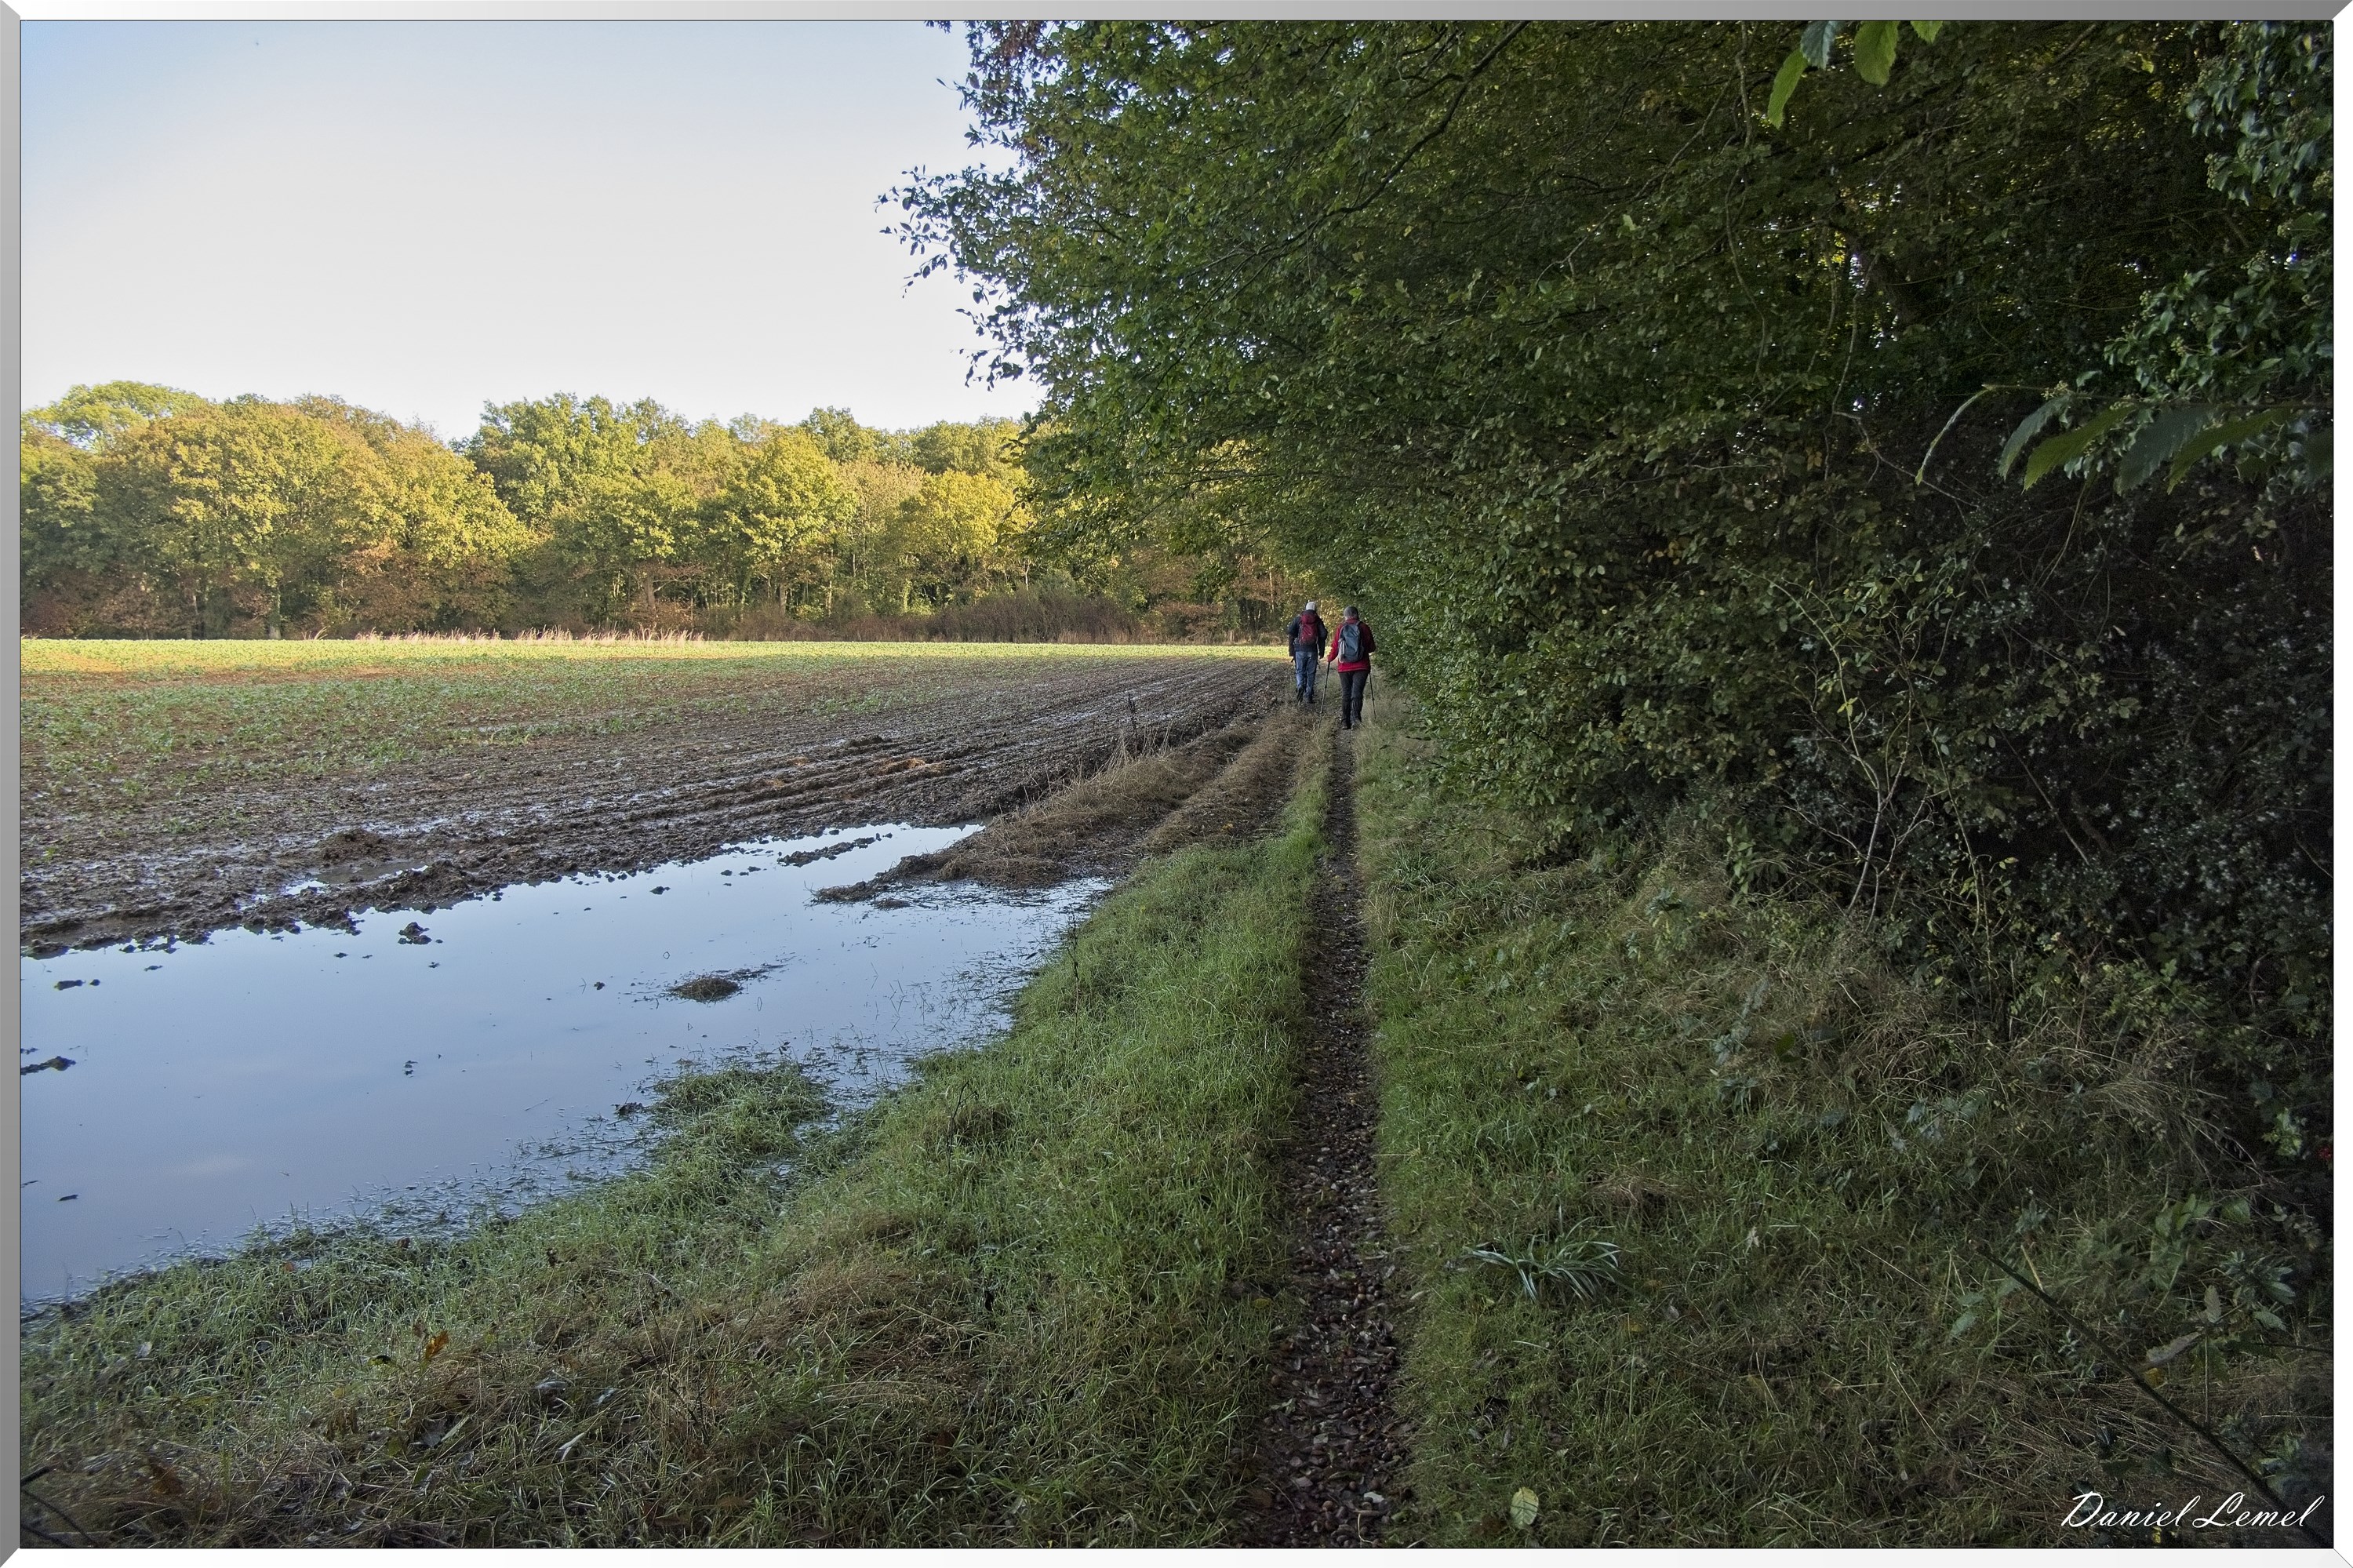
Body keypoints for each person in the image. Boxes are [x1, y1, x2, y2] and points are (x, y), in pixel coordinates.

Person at [1328, 605, 1376, 729]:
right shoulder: (1364, 627)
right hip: (1362, 666)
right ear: (1356, 614)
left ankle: (1345, 721)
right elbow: (1372, 648)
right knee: (1357, 692)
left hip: (1344, 666)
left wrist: (1329, 658)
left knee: (1346, 693)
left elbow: (1335, 647)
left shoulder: (1340, 628)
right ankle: (1356, 719)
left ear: (1346, 616)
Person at [1283, 599, 1328, 704]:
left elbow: (1290, 631)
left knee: (1300, 671)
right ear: (1315, 610)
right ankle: (1309, 696)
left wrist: (1292, 649)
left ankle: (1300, 686)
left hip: (1300, 649)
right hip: (1312, 650)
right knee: (1311, 673)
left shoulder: (1299, 619)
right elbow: (1323, 635)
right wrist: (1321, 652)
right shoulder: (1317, 620)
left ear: (1306, 608)